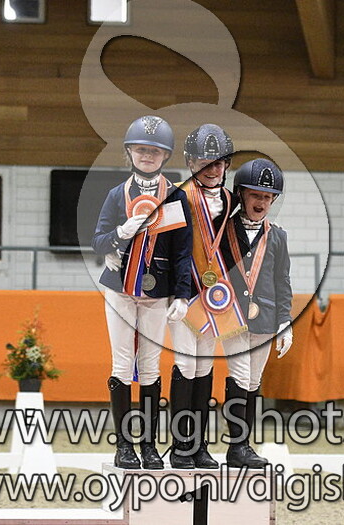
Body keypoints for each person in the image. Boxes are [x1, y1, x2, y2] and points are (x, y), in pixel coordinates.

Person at [92, 115, 192, 469]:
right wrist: (119, 234)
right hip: (120, 289)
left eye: (154, 151)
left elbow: (182, 251)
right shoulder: (115, 195)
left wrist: (182, 294)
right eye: (141, 150)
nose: (147, 156)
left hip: (157, 289)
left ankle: (148, 446)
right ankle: (124, 446)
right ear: (130, 152)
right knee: (121, 363)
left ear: (165, 156)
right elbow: (98, 241)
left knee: (150, 366)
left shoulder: (175, 197)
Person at [167, 123, 242, 469]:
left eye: (218, 163)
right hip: (184, 291)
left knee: (204, 365)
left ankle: (199, 446)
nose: (212, 170)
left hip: (214, 294)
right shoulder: (178, 195)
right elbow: (170, 246)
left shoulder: (229, 200)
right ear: (190, 162)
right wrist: (177, 292)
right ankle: (180, 445)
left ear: (226, 165)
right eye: (204, 162)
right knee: (186, 363)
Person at [219, 158, 293, 468]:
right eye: (255, 195)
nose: (261, 202)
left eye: (267, 197)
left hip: (265, 318)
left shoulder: (278, 236)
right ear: (241, 194)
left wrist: (285, 321)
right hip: (232, 314)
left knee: (252, 381)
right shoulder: (223, 230)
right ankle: (237, 446)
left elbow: (282, 280)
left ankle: (242, 446)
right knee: (239, 375)